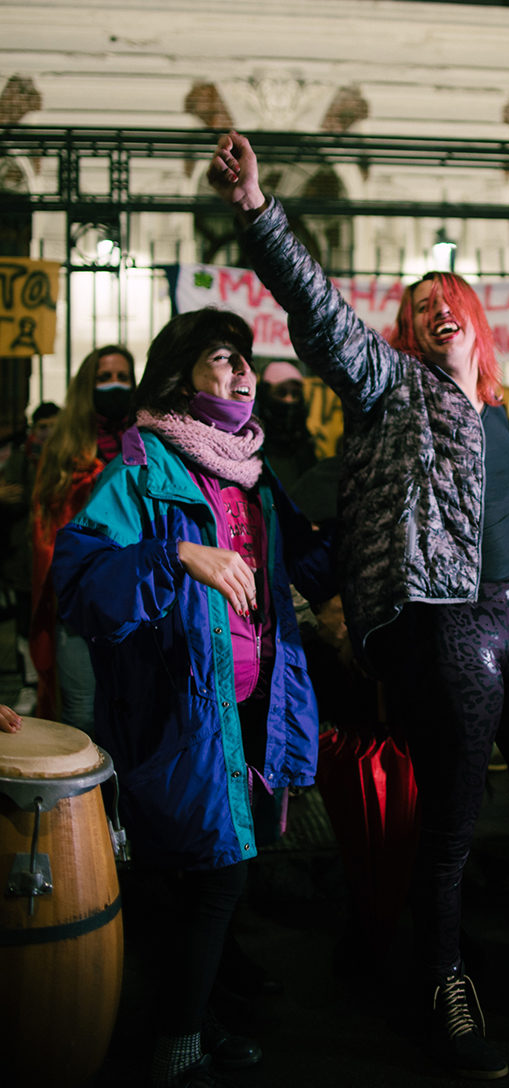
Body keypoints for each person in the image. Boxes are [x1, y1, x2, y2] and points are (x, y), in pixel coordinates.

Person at [208, 130, 509, 1081]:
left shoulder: (501, 417)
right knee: (450, 815)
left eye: (448, 302)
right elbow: (321, 312)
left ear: (475, 323)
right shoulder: (388, 389)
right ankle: (443, 985)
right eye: (419, 308)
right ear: (407, 333)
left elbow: (500, 523)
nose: (433, 312)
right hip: (439, 624)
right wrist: (258, 211)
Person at [51, 307, 335, 1088]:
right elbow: (76, 587)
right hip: (180, 710)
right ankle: (176, 1042)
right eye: (223, 359)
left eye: (246, 360)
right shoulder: (141, 470)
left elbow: (309, 568)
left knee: (202, 869)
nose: (243, 374)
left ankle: (193, 1017)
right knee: (215, 873)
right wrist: (176, 554)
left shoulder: (255, 471)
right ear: (181, 377)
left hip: (249, 705)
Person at [30, 347, 135, 731]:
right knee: (82, 717)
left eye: (124, 377)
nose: (115, 386)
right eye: (104, 377)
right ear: (86, 386)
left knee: (133, 716)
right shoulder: (63, 450)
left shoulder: (145, 444)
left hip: (134, 596)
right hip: (79, 603)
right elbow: (45, 529)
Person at [0, 402, 60, 713]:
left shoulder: (66, 457)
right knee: (26, 625)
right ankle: (29, 682)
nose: (47, 432)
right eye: (42, 426)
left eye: (53, 424)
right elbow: (9, 496)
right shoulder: (23, 458)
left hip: (56, 556)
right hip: (24, 559)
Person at [256, 358, 317, 493]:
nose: (289, 400)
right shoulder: (253, 442)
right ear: (266, 393)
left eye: (295, 394)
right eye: (281, 392)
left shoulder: (304, 441)